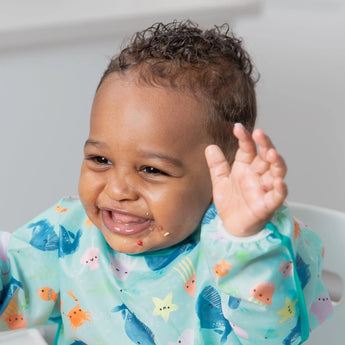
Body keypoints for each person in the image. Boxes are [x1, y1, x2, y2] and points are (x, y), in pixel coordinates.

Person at [0, 21, 333, 344]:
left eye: (151, 170)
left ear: (225, 175)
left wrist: (243, 242)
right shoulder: (68, 234)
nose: (117, 190)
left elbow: (272, 334)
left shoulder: (259, 245)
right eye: (100, 160)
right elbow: (11, 291)